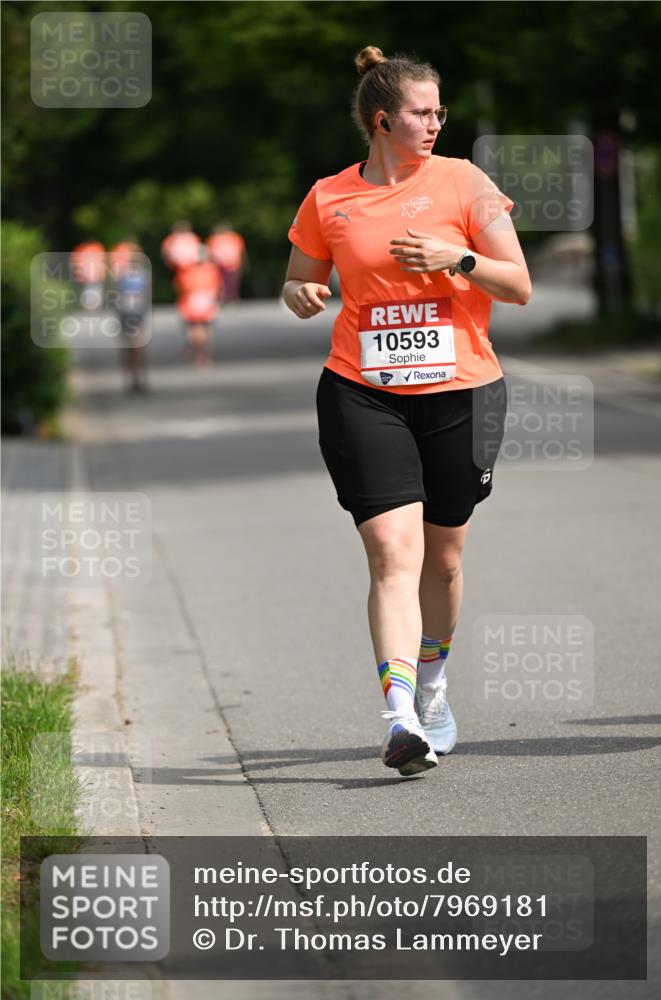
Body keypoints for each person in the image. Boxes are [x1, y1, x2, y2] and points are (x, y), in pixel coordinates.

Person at [282, 46, 531, 777]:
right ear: (382, 119)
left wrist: (456, 259)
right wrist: (301, 294)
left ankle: (431, 686)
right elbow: (298, 279)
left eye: (439, 111)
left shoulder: (464, 182)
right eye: (422, 112)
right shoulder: (328, 197)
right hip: (363, 391)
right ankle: (399, 720)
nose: (435, 123)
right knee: (393, 553)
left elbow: (518, 284)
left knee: (442, 561)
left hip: (462, 391)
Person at [110, 240, 151, 393]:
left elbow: (146, 296)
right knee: (130, 346)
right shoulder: (124, 275)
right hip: (127, 313)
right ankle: (131, 379)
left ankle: (138, 378)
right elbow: (115, 294)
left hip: (137, 314)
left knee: (137, 346)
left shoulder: (143, 275)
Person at [175, 245, 222, 366]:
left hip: (198, 303)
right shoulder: (209, 269)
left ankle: (199, 354)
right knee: (203, 331)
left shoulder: (188, 270)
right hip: (198, 303)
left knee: (197, 331)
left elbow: (180, 287)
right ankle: (202, 355)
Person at [207, 222, 247, 302]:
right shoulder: (234, 238)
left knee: (229, 283)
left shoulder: (217, 238)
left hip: (228, 264)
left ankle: (228, 298)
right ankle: (227, 298)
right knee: (228, 283)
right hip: (225, 265)